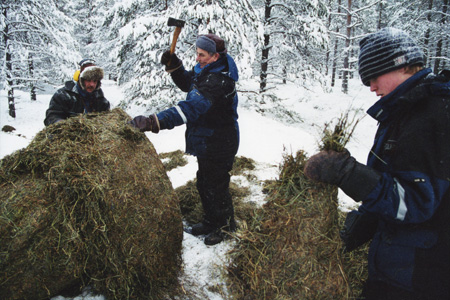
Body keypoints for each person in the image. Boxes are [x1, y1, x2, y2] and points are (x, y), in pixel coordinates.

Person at [304, 27, 450, 299]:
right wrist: (364, 222)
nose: (370, 87)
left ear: (400, 64)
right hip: (397, 262)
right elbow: (392, 180)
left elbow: (414, 203)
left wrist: (347, 173)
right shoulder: (404, 111)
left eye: (373, 76)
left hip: (420, 275)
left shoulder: (433, 116)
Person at [130, 34, 240, 246]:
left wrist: (154, 122)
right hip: (207, 139)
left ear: (215, 56)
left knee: (217, 186)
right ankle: (210, 221)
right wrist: (176, 67)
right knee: (204, 182)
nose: (197, 58)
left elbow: (189, 108)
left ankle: (225, 227)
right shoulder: (209, 69)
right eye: (197, 53)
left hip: (220, 141)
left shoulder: (218, 81)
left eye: (202, 55)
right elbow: (190, 83)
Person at [44, 58, 110, 126]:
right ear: (80, 80)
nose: (92, 84)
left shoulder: (100, 99)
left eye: (95, 81)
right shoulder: (63, 95)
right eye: (88, 80)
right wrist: (61, 124)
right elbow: (52, 116)